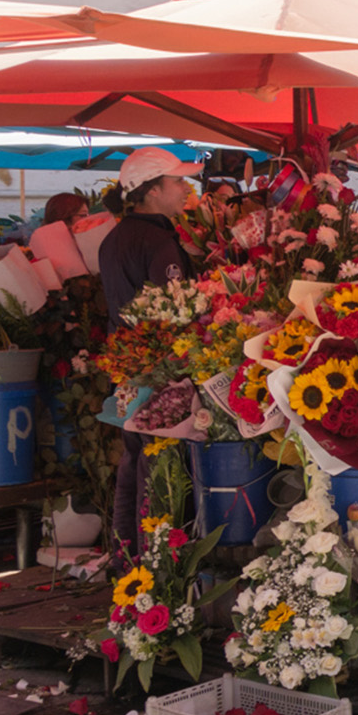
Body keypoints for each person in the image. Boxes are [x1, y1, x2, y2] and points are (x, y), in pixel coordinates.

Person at [98, 147, 202, 556]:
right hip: (159, 370)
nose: (185, 188)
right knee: (160, 467)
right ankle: (157, 559)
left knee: (132, 460)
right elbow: (176, 308)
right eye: (177, 181)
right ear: (153, 190)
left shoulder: (114, 238)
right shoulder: (158, 240)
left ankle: (126, 555)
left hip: (125, 366)